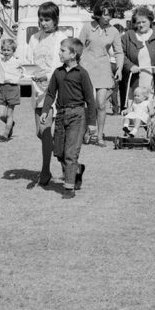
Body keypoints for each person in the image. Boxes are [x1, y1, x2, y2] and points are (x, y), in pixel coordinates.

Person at [39, 37, 96, 195]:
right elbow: (50, 94)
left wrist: (92, 123)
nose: (59, 53)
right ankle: (77, 169)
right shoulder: (57, 73)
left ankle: (69, 186)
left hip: (77, 115)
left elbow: (90, 99)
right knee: (59, 152)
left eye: (63, 50)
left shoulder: (82, 74)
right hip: (61, 114)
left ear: (73, 54)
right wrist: (45, 110)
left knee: (71, 153)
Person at [25, 1, 65, 187]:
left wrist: (47, 76)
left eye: (47, 19)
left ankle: (45, 170)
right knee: (41, 134)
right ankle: (68, 163)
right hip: (37, 91)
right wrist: (28, 77)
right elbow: (28, 62)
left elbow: (62, 67)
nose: (43, 23)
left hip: (54, 91)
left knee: (45, 130)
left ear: (55, 20)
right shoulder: (34, 38)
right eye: (41, 19)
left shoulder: (61, 38)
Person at [78, 3, 124, 145]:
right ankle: (87, 131)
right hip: (86, 69)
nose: (107, 17)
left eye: (110, 14)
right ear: (98, 13)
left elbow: (119, 52)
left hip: (104, 69)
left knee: (101, 104)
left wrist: (120, 68)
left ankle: (99, 136)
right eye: (105, 14)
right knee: (88, 103)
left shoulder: (114, 31)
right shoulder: (87, 27)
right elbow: (78, 46)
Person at [0, 37, 21, 140]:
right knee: (1, 114)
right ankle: (11, 124)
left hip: (13, 89)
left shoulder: (17, 62)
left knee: (9, 114)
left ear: (13, 51)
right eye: (4, 50)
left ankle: (5, 135)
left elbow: (27, 69)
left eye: (8, 50)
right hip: (2, 89)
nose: (6, 52)